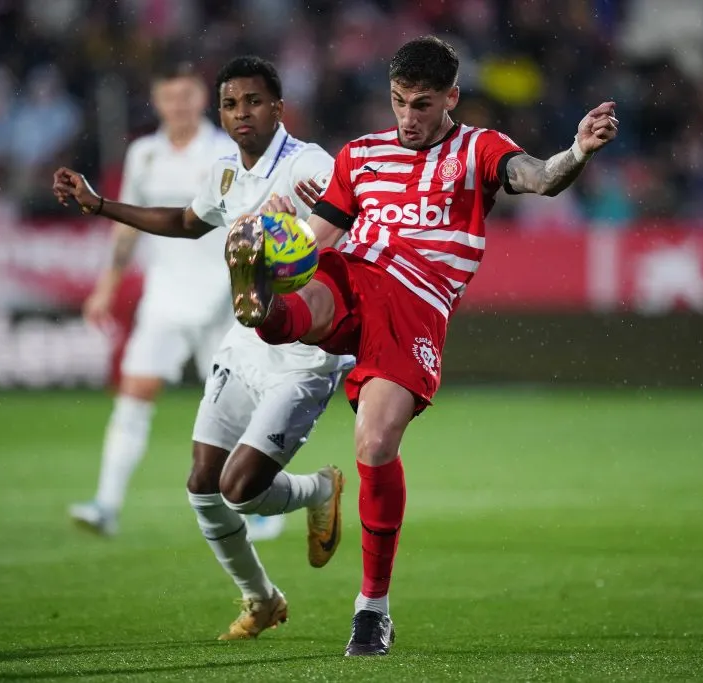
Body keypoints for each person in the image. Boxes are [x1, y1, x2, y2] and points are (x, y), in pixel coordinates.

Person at [225, 36, 619, 656]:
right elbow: (318, 237)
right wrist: (282, 238)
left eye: (422, 104)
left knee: (375, 443)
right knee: (309, 297)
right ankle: (263, 303)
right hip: (356, 269)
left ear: (451, 98)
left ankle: (372, 609)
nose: (408, 117)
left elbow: (539, 179)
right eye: (399, 101)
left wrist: (577, 151)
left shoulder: (479, 149)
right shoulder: (361, 155)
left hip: (416, 300)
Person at [53, 55, 352, 640]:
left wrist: (308, 227)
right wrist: (101, 204)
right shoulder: (224, 173)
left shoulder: (310, 164)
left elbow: (351, 223)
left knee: (240, 489)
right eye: (231, 104)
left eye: (254, 101)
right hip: (245, 340)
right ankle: (261, 599)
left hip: (304, 350)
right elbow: (188, 222)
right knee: (202, 485)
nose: (243, 113)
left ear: (278, 108)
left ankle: (320, 488)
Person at [67, 62, 247, 538]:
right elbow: (127, 225)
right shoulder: (144, 154)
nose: (178, 106)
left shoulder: (227, 153)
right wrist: (107, 287)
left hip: (223, 299)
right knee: (134, 395)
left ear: (202, 98)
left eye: (186, 96)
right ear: (158, 100)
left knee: (235, 409)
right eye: (169, 97)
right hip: (165, 297)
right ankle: (106, 505)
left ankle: (256, 506)